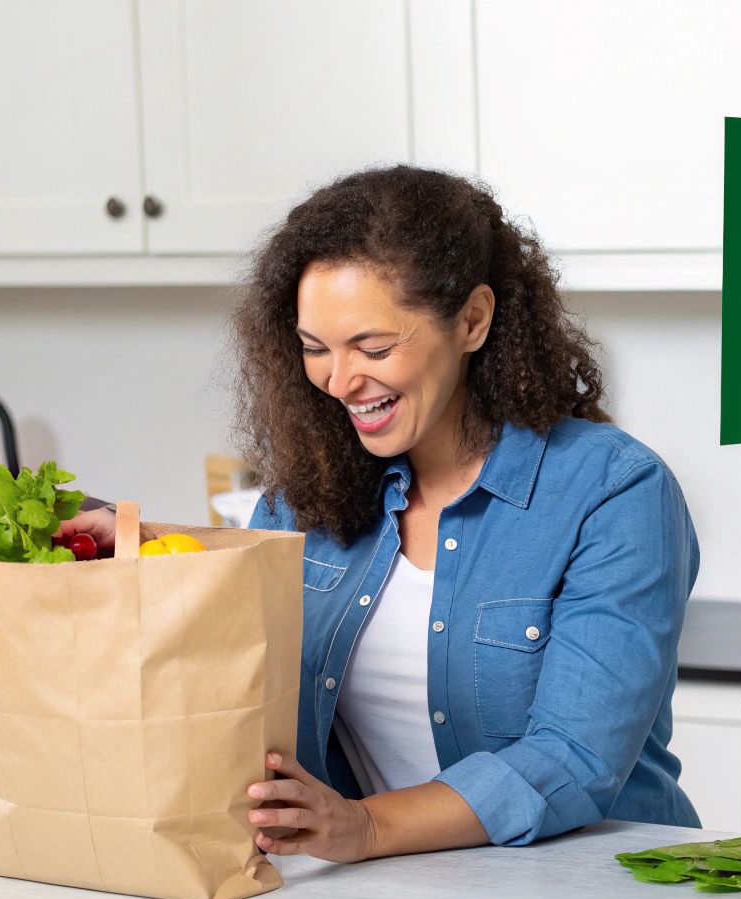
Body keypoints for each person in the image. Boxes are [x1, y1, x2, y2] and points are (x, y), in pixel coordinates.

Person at [61, 165, 700, 863]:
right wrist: (145, 550)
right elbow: (244, 629)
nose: (339, 381)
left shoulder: (613, 490)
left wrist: (366, 826)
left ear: (473, 320)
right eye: (314, 350)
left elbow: (573, 757)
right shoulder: (312, 486)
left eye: (373, 347)